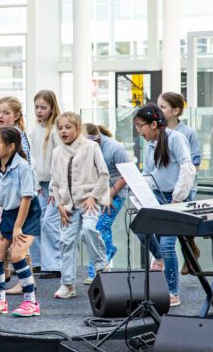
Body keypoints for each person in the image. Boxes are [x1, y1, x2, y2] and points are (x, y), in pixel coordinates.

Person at [131, 104, 195, 307]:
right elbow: (148, 174)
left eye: (140, 126)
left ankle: (173, 292)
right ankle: (158, 258)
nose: (139, 131)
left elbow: (187, 169)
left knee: (168, 244)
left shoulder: (176, 138)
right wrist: (141, 194)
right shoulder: (151, 144)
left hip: (175, 198)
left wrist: (177, 200)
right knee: (138, 226)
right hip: (157, 196)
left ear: (153, 124)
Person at [50, 112, 110, 299]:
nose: (63, 131)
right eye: (60, 128)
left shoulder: (91, 147)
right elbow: (55, 183)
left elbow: (104, 175)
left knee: (88, 229)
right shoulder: (57, 152)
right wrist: (59, 204)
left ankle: (102, 266)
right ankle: (67, 284)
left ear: (78, 128)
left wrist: (93, 197)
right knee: (66, 241)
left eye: (68, 127)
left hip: (89, 202)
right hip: (68, 205)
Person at [0, 126, 42, 317]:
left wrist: (17, 227)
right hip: (8, 213)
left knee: (17, 255)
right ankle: (0, 301)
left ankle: (31, 302)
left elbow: (26, 199)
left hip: (28, 213)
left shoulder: (23, 167)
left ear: (11, 147)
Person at [159, 91, 202, 273]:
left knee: (180, 225)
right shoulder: (158, 132)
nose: (159, 110)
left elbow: (194, 162)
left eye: (163, 107)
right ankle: (189, 251)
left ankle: (190, 252)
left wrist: (186, 185)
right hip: (165, 187)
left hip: (184, 187)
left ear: (176, 111)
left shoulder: (187, 133)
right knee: (171, 228)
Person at [84, 123, 130, 284]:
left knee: (101, 226)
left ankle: (96, 269)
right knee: (89, 230)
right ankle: (109, 249)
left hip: (115, 192)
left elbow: (125, 176)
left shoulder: (115, 149)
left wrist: (109, 194)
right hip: (95, 193)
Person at [29, 90, 62, 278]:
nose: (39, 111)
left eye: (43, 107)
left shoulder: (56, 130)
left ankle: (54, 265)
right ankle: (39, 262)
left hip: (55, 185)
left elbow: (59, 162)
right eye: (36, 107)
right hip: (40, 184)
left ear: (51, 108)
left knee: (50, 223)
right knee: (36, 221)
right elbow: (33, 160)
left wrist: (54, 188)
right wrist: (34, 184)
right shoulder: (35, 130)